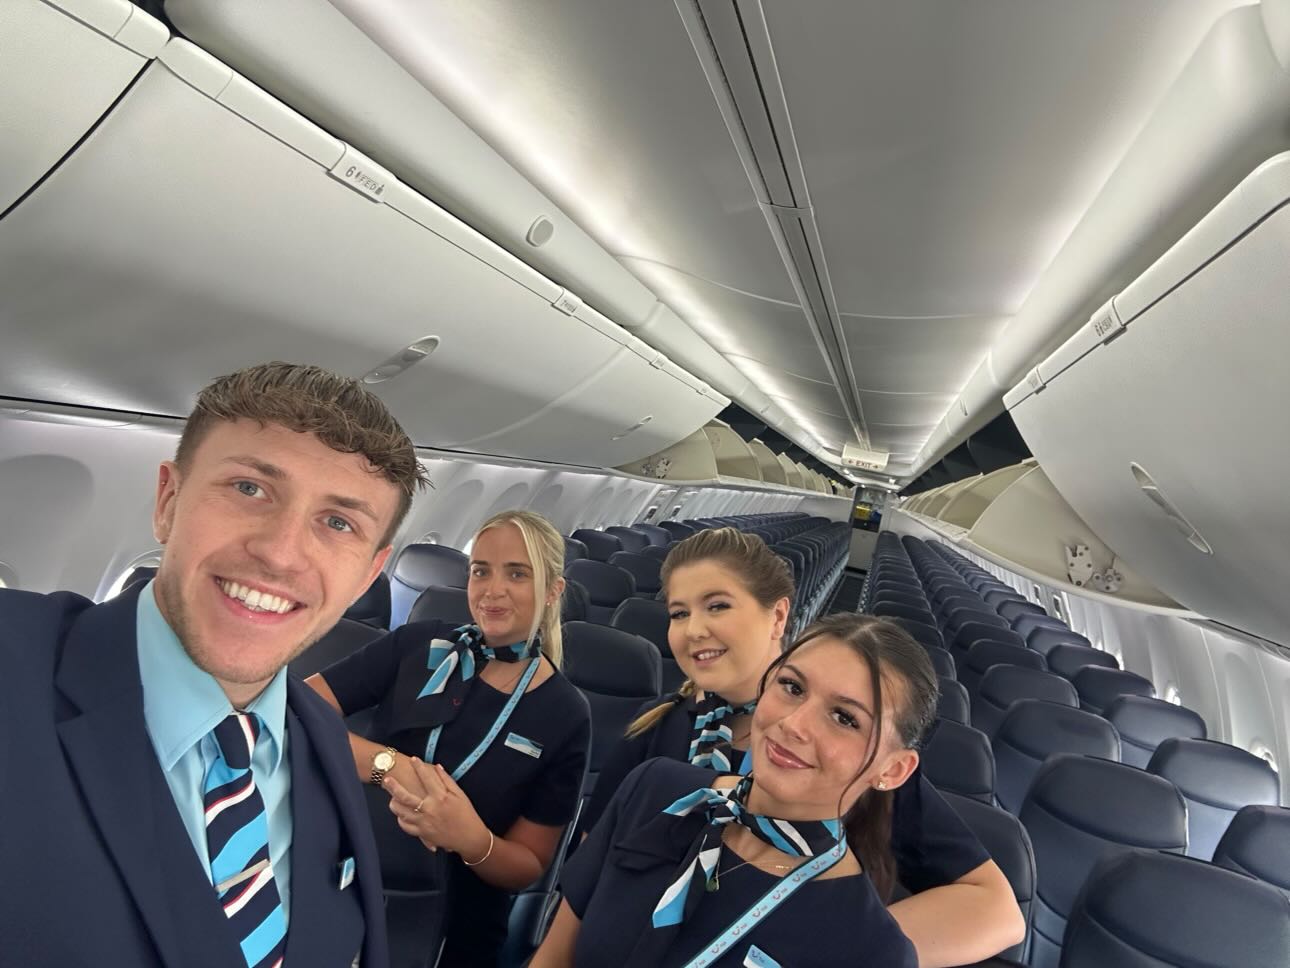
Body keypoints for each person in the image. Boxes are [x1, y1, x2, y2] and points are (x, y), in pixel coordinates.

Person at [0, 362, 428, 968]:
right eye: (250, 488)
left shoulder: (321, 740)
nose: (280, 553)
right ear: (168, 501)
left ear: (367, 575)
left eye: (337, 523)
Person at [583, 528, 1025, 966]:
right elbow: (591, 879)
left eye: (717, 605)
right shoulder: (652, 734)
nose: (695, 629)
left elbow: (997, 911)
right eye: (679, 613)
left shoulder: (850, 764)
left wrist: (834, 946)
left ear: (777, 617)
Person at [532, 614, 942, 967]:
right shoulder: (655, 790)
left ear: (893, 770)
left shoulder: (871, 951)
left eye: (844, 717)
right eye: (792, 687)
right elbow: (553, 957)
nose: (794, 724)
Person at [308, 509, 591, 967]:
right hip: (349, 873)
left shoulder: (565, 713)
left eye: (517, 573)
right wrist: (388, 765)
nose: (493, 590)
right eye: (481, 571)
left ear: (553, 590)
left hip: (457, 918)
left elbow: (529, 866)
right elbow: (298, 710)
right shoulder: (417, 646)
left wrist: (472, 839)